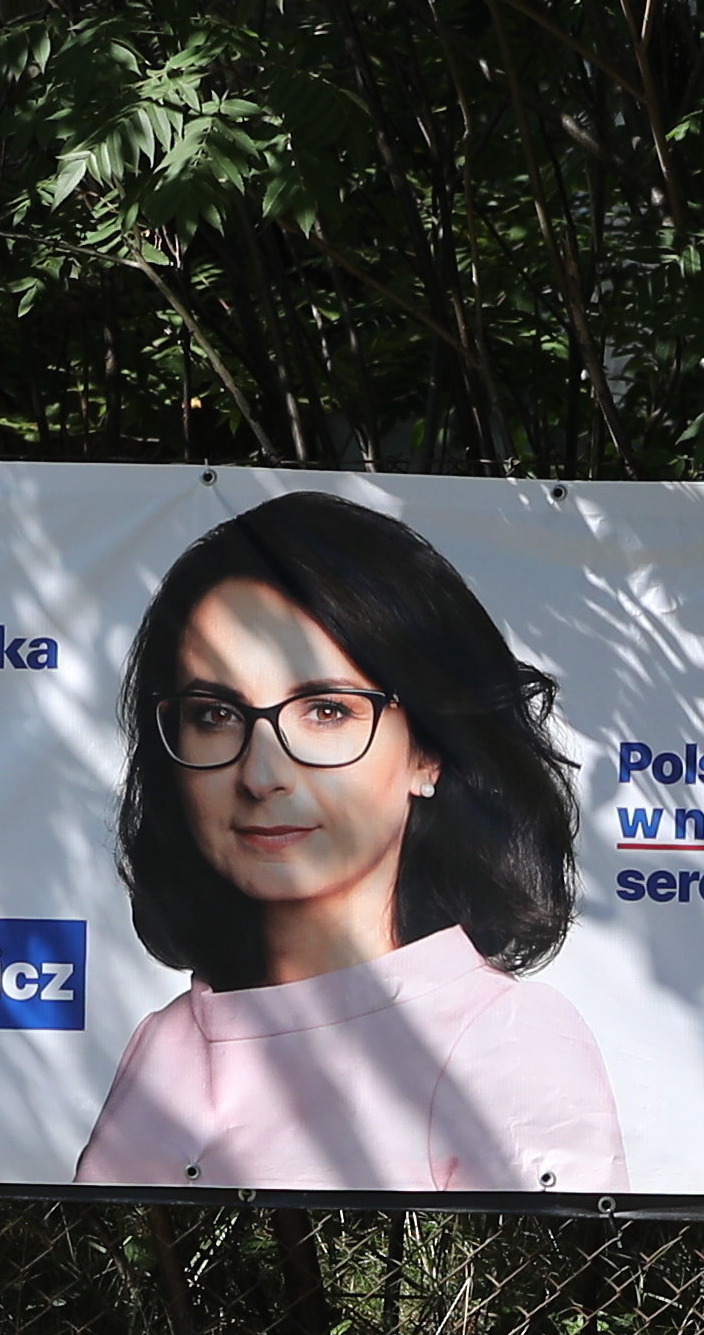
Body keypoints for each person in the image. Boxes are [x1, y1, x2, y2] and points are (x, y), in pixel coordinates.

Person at [71, 490, 624, 1191]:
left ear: (429, 752)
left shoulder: (507, 1041)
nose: (262, 773)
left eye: (326, 710)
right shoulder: (167, 1038)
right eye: (214, 713)